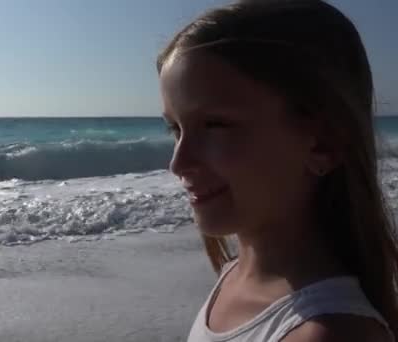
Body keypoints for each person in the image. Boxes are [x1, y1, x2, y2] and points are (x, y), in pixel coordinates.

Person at [157, 0, 398, 341]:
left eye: (215, 124)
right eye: (176, 129)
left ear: (322, 144)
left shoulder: (331, 332)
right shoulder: (233, 276)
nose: (178, 163)